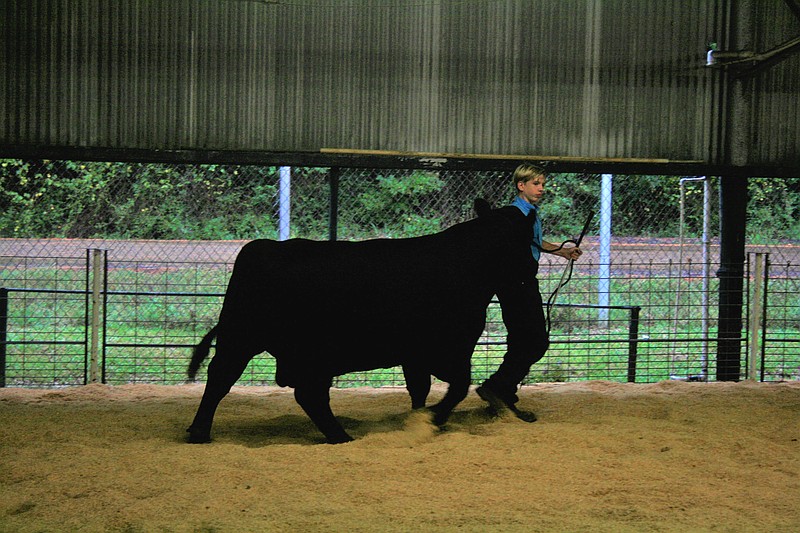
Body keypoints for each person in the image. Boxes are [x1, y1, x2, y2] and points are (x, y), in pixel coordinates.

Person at [476, 163, 582, 421]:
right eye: (536, 184)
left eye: (543, 184)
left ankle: (501, 393)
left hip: (519, 284)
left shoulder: (529, 215)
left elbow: (535, 242)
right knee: (535, 342)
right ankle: (498, 387)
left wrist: (562, 251)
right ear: (521, 185)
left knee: (523, 341)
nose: (541, 189)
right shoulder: (514, 215)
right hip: (518, 284)